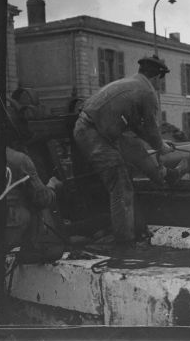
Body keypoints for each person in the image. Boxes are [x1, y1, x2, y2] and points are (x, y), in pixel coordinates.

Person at [73, 55, 175, 245]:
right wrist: (161, 146)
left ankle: (134, 229)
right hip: (94, 133)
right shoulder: (146, 92)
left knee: (126, 168)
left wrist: (159, 144)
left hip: (92, 128)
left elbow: (138, 128)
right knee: (121, 186)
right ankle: (125, 243)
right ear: (157, 77)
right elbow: (151, 129)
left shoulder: (131, 84)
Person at [0, 107, 64, 263]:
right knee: (32, 204)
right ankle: (32, 250)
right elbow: (41, 199)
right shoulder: (19, 160)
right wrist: (51, 186)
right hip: (7, 229)